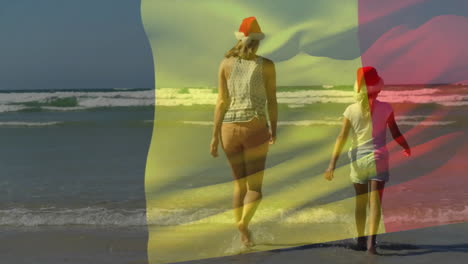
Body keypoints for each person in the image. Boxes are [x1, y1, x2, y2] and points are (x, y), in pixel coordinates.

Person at [324, 66, 411, 254]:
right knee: (375, 204)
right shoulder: (386, 108)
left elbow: (341, 137)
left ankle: (360, 241)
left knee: (360, 204)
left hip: (357, 161)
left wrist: (332, 164)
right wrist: (405, 146)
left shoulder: (350, 110)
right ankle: (371, 245)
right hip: (378, 159)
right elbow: (395, 132)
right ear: (378, 87)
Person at [210, 16, 277, 247]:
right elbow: (272, 101)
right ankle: (243, 224)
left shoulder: (225, 64)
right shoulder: (266, 65)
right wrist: (274, 128)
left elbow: (221, 102)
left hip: (228, 128)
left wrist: (214, 136)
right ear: (258, 41)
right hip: (255, 126)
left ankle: (241, 231)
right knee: (255, 189)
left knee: (238, 184)